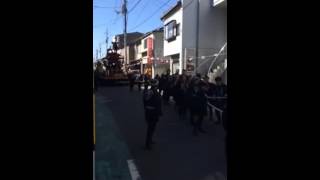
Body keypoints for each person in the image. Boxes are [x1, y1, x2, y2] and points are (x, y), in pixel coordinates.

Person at [142, 79, 162, 150]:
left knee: (152, 127)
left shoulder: (152, 91)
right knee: (150, 128)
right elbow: (146, 101)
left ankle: (150, 140)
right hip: (152, 112)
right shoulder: (151, 92)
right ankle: (147, 143)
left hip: (152, 112)